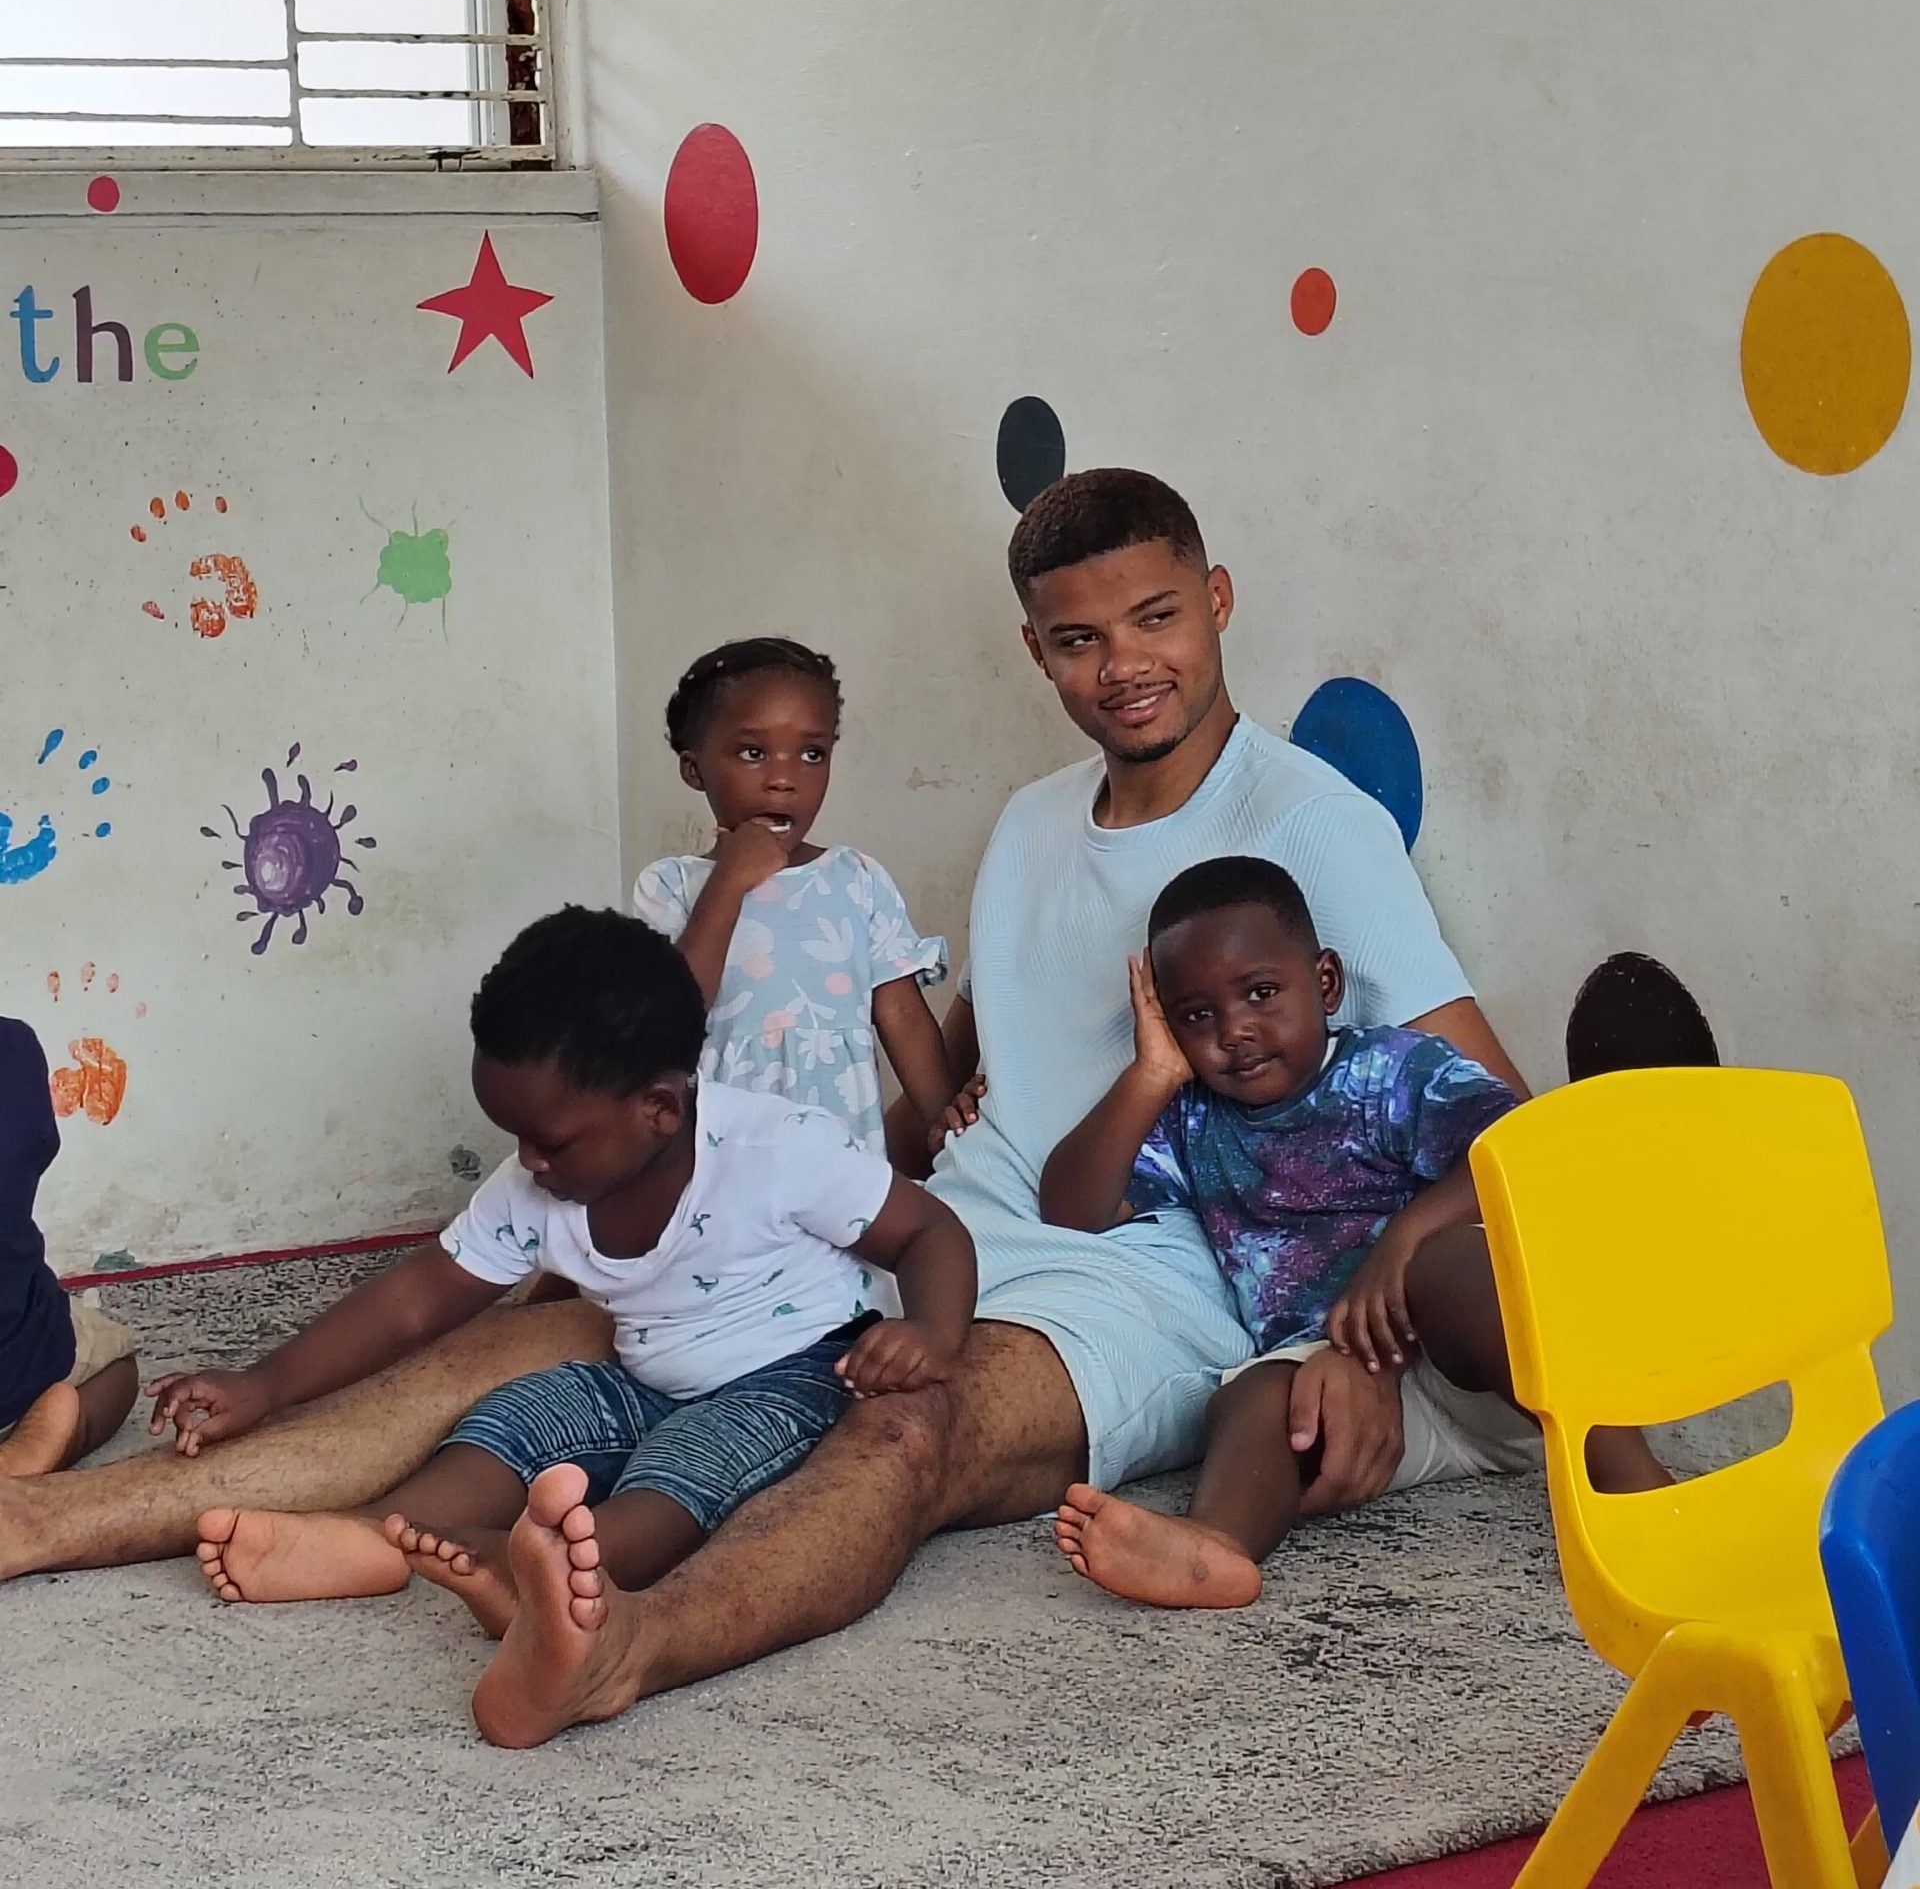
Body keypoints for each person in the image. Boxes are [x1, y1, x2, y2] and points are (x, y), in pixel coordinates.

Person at [0, 468, 1523, 1759]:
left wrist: (1338, 1345)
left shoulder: (1306, 821)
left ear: (1218, 601)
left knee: (904, 1422)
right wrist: (748, 1188)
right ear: (1037, 651)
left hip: (1154, 1267)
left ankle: (623, 1646)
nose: (1125, 664)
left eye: (1158, 618)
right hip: (966, 1202)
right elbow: (962, 1068)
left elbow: (1487, 1119)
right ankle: (51, 1523)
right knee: (565, 1324)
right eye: (1081, 638)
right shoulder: (1029, 822)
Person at [146, 907, 975, 1661]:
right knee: (522, 1412)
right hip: (647, 1379)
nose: (529, 1161)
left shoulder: (778, 1150)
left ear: (658, 1107)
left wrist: (932, 1333)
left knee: (689, 1464)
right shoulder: (540, 1185)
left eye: (550, 1141)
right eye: (514, 1136)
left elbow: (930, 1232)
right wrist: (266, 1384)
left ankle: (544, 1571)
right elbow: (417, 1299)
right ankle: (373, 1537)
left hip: (800, 1373)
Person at [1044, 857, 1665, 1607]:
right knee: (1254, 1393)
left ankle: (1636, 1493)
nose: (1235, 1031)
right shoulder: (1190, 1120)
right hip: (1346, 1412)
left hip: (1500, 1382)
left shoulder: (1389, 1071)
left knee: (1448, 1266)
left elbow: (1521, 1154)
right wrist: (1150, 1075)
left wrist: (1401, 1244)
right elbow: (1071, 1208)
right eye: (1197, 1016)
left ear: (1326, 982)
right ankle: (1218, 1543)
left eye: (1261, 993)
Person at [633, 637, 969, 1159]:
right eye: (753, 753)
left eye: (812, 754)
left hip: (839, 1158)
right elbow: (675, 1017)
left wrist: (942, 1121)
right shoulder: (670, 886)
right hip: (721, 1162)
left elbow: (902, 1015)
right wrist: (729, 881)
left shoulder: (856, 879)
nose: (784, 780)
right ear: (694, 769)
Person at [0, 1017, 138, 1478]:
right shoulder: (13, 1047)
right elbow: (34, 1152)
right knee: (116, 1371)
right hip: (15, 1372)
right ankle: (30, 1457)